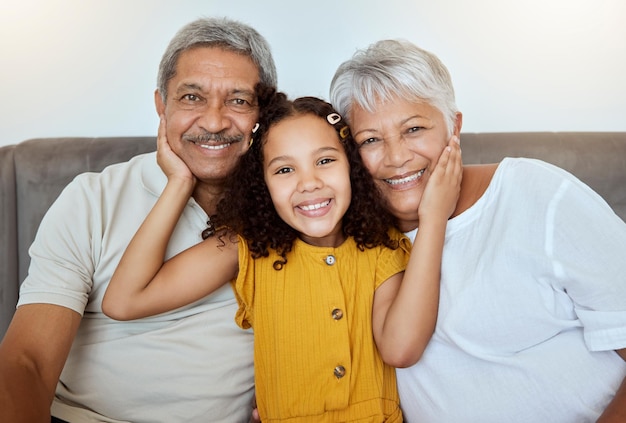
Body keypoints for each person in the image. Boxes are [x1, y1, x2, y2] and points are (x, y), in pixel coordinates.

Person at [101, 92, 462, 422]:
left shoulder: (382, 248)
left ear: (351, 168)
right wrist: (179, 182)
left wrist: (434, 218)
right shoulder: (249, 248)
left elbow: (401, 349)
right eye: (285, 170)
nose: (309, 183)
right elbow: (124, 300)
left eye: (324, 160)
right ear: (263, 184)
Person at [329, 38, 626, 422]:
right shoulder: (350, 241)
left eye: (414, 129)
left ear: (454, 126)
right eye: (370, 140)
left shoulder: (537, 193)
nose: (397, 157)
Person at [0, 17, 278, 423]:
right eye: (192, 98)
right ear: (161, 106)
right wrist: (179, 184)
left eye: (238, 100)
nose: (215, 122)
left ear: (263, 114)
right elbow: (28, 363)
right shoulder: (92, 199)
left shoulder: (289, 211)